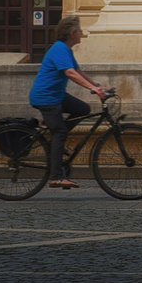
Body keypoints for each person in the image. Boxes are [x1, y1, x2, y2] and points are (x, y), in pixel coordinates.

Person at [28, 14, 108, 189]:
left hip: (56, 95)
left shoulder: (66, 49)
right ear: (72, 34)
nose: (82, 33)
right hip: (46, 97)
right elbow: (70, 73)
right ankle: (56, 176)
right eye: (79, 30)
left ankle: (53, 143)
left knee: (83, 109)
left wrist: (97, 86)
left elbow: (78, 70)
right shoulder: (59, 50)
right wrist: (92, 89)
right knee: (60, 132)